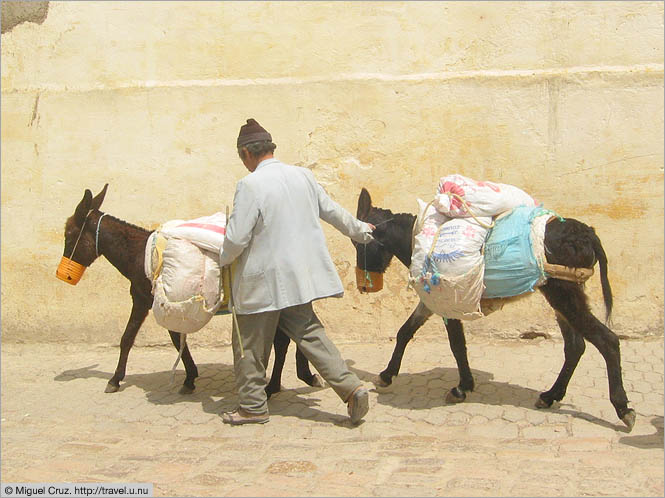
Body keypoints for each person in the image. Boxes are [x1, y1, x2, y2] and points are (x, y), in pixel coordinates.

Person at [219, 118, 375, 426]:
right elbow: (333, 212)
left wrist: (222, 259)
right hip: (298, 281)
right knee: (311, 334)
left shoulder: (249, 185)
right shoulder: (303, 175)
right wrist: (361, 231)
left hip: (262, 284)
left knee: (249, 342)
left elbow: (236, 238)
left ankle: (252, 406)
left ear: (246, 154)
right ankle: (352, 387)